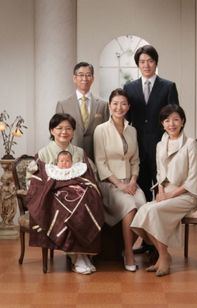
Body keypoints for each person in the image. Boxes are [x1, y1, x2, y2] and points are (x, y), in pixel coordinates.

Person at [26, 113, 104, 275]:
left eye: (68, 128)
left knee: (88, 202)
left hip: (79, 195)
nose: (64, 132)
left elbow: (91, 176)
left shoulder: (79, 152)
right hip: (52, 198)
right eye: (59, 128)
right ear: (52, 130)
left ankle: (81, 254)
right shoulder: (43, 154)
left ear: (73, 132)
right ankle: (78, 257)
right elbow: (33, 181)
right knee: (67, 209)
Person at [131, 104, 197, 277]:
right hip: (166, 193)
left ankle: (163, 257)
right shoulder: (160, 144)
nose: (172, 124)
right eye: (167, 120)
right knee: (143, 211)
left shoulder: (190, 144)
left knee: (154, 211)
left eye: (176, 119)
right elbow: (159, 173)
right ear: (162, 124)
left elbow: (193, 178)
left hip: (186, 194)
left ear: (183, 121)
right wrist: (161, 191)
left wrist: (170, 194)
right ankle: (165, 255)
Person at [124, 44, 179, 254]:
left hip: (161, 145)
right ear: (138, 65)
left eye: (150, 61)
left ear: (156, 63)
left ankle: (159, 245)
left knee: (160, 191)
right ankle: (147, 241)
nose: (146, 65)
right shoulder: (130, 88)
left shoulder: (168, 86)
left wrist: (172, 145)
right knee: (143, 191)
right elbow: (126, 118)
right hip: (137, 147)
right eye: (142, 62)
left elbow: (174, 116)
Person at [93, 88, 146, 272]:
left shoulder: (132, 130)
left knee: (142, 203)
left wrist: (132, 181)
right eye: (115, 103)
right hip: (110, 183)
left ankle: (128, 247)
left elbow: (135, 160)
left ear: (128, 106)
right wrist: (120, 184)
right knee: (129, 205)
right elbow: (100, 162)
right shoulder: (101, 130)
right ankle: (129, 254)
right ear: (109, 106)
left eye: (123, 103)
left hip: (130, 181)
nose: (119, 107)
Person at [56, 62, 109, 161]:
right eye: (81, 75)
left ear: (93, 78)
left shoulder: (103, 105)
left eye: (88, 75)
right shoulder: (63, 105)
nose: (84, 78)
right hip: (70, 158)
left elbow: (106, 134)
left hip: (97, 158)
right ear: (74, 78)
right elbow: (57, 134)